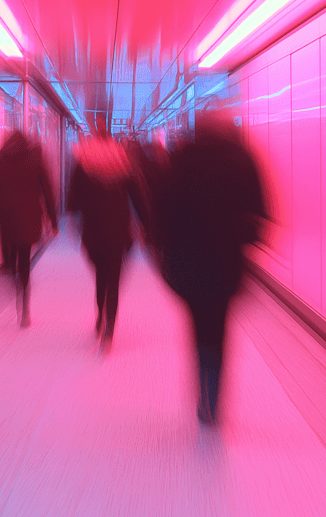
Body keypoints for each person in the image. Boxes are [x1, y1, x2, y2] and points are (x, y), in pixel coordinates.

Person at [153, 108, 267, 428]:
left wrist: (163, 252)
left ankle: (201, 392)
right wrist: (244, 242)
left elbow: (161, 210)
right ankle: (214, 399)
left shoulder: (180, 158)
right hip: (227, 260)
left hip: (187, 259)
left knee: (197, 324)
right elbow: (260, 212)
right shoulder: (242, 158)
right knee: (219, 326)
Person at [67, 129, 148, 351]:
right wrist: (146, 225)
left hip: (93, 230)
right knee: (114, 277)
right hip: (118, 230)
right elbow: (138, 197)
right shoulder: (123, 164)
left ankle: (100, 315)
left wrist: (73, 215)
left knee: (100, 275)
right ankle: (109, 326)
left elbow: (72, 197)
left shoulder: (83, 164)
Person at [0, 130, 57, 327]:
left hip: (6, 220)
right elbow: (48, 190)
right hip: (28, 219)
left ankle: (13, 276)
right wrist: (53, 221)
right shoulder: (35, 159)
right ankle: (24, 306)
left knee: (10, 257)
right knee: (25, 261)